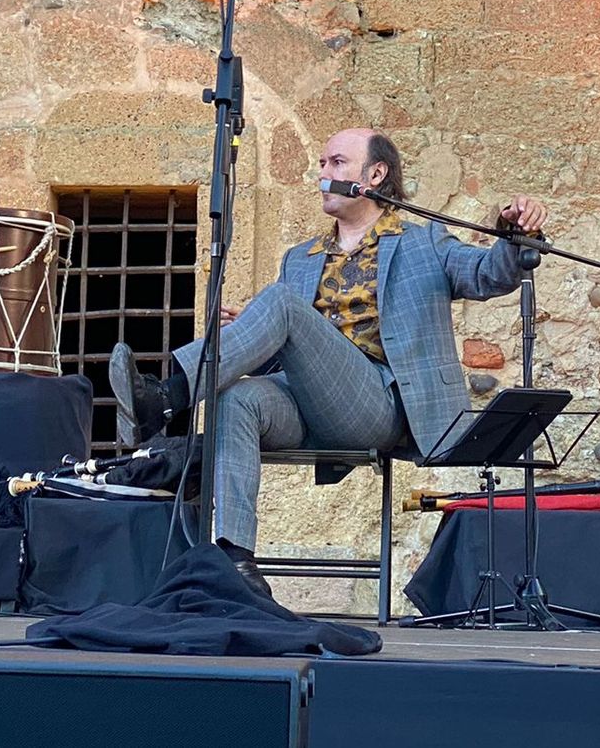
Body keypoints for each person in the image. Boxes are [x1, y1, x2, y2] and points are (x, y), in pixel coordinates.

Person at [109, 128, 547, 596]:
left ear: (374, 174)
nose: (322, 174)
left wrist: (517, 235)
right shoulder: (300, 259)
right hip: (305, 405)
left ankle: (169, 396)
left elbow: (490, 275)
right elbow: (288, 354)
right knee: (237, 395)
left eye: (336, 163)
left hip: (377, 406)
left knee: (279, 305)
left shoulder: (425, 243)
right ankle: (236, 563)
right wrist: (254, 329)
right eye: (321, 164)